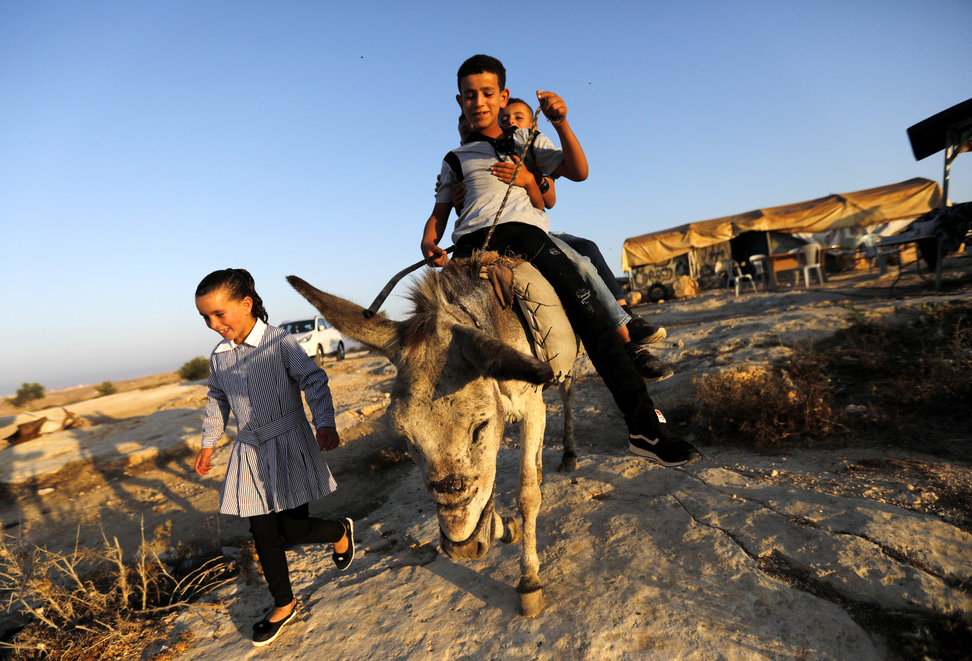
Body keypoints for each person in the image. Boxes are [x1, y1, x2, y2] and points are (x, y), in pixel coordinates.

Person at [421, 54, 698, 466]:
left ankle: (644, 428)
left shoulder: (526, 141)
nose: (478, 102)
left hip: (525, 234)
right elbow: (439, 216)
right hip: (467, 246)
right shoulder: (454, 159)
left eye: (487, 93)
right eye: (469, 96)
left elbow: (579, 171)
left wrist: (560, 122)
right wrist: (429, 244)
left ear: (503, 96)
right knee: (429, 332)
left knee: (588, 307)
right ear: (458, 101)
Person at [442, 105, 673, 382]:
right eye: (464, 133)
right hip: (481, 235)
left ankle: (626, 332)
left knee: (583, 255)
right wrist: (454, 198)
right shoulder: (463, 164)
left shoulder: (529, 153)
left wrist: (529, 180)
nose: (510, 125)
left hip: (529, 230)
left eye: (516, 120)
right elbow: (463, 208)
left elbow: (547, 201)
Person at [193, 268, 355, 647]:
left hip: (289, 442)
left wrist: (324, 422)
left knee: (293, 531)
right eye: (205, 318)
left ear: (246, 304)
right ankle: (284, 602)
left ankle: (340, 532)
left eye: (219, 314)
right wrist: (208, 442)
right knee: (262, 532)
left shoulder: (279, 343)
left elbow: (313, 379)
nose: (213, 324)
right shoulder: (219, 358)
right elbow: (217, 400)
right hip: (248, 450)